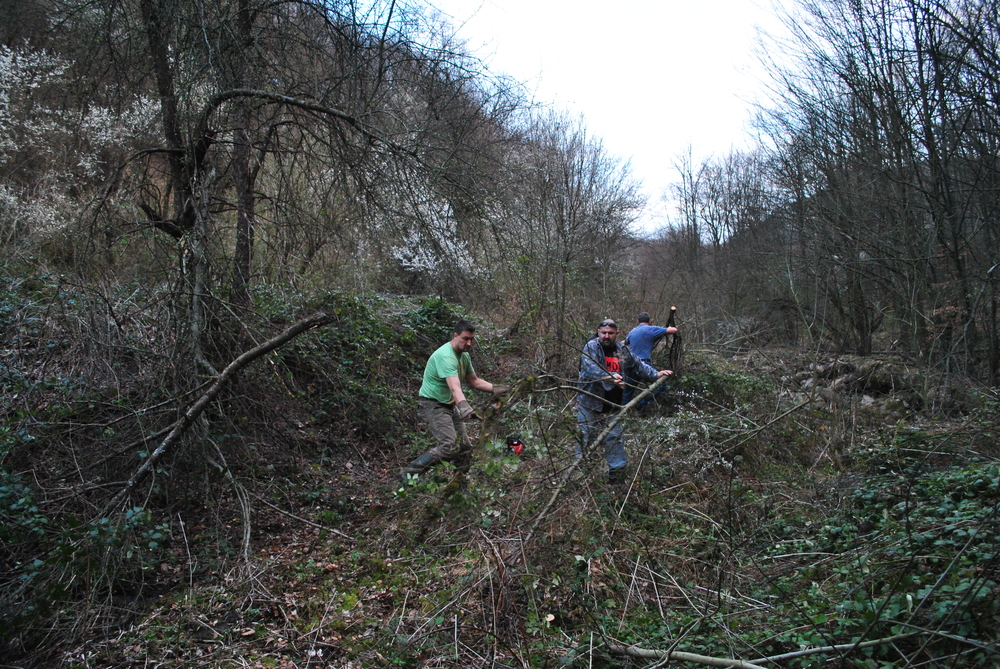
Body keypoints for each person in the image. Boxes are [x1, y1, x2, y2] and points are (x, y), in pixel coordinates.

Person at [398, 320, 508, 484]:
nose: (469, 343)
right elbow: (455, 387)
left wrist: (500, 389)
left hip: (448, 404)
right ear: (455, 336)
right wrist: (464, 407)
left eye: (471, 339)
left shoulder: (464, 356)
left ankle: (459, 484)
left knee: (464, 447)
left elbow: (474, 381)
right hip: (432, 404)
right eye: (465, 338)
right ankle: (408, 474)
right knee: (449, 446)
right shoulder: (446, 356)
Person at [577, 318, 673, 483]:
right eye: (603, 333)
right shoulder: (592, 347)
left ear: (617, 334)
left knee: (615, 439)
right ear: (598, 332)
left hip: (614, 405)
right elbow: (589, 369)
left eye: (610, 333)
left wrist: (656, 374)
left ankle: (616, 479)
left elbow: (638, 365)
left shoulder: (622, 350)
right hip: (590, 403)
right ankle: (579, 477)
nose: (606, 336)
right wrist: (609, 377)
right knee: (585, 439)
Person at [622, 312, 678, 405]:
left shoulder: (633, 331)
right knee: (661, 385)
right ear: (650, 321)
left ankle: (622, 413)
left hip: (631, 364)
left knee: (627, 391)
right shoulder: (652, 329)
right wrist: (666, 328)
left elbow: (624, 342)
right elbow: (673, 330)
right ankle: (641, 403)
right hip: (644, 364)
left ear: (638, 321)